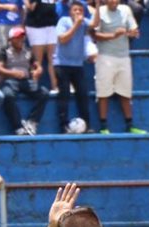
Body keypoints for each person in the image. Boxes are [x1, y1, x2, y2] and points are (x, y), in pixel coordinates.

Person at [94, 0, 142, 133]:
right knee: (103, 92)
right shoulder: (100, 12)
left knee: (126, 92)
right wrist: (113, 35)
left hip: (124, 57)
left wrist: (131, 33)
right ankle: (103, 126)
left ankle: (129, 124)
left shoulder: (126, 10)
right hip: (105, 56)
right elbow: (95, 34)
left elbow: (134, 30)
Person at [0, 26, 49, 135]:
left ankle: (32, 121)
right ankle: (18, 126)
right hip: (10, 81)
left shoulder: (28, 51)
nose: (21, 40)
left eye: (22, 37)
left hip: (26, 81)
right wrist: (12, 73)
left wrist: (38, 70)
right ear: (11, 40)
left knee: (44, 93)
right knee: (7, 95)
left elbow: (37, 65)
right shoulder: (4, 51)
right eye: (18, 37)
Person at [54, 0, 96, 132]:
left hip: (78, 65)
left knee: (83, 95)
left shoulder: (84, 22)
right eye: (75, 10)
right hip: (62, 64)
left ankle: (87, 125)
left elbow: (95, 24)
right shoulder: (64, 21)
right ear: (70, 11)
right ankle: (63, 126)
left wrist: (99, 5)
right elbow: (62, 39)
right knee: (64, 95)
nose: (78, 12)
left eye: (81, 10)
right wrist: (76, 25)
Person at [24, 0, 58, 87]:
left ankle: (55, 87)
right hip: (36, 27)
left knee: (53, 59)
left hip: (51, 26)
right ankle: (34, 86)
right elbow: (30, 7)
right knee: (37, 60)